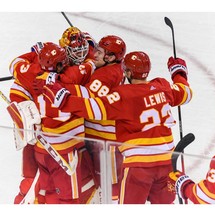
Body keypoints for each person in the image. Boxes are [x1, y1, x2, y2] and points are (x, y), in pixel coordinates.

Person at [38, 51, 193, 204]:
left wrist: (64, 100)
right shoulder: (162, 87)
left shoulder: (124, 95)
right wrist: (178, 72)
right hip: (168, 163)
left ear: (129, 72)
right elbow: (186, 93)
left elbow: (94, 108)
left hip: (139, 166)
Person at [9, 36, 97, 204]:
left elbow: (15, 63)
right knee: (68, 199)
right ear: (58, 65)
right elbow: (90, 68)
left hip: (41, 149)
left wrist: (34, 55)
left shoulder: (30, 75)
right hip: (65, 152)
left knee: (45, 191)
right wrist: (91, 52)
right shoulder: (71, 81)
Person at [59, 34, 126, 203]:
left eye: (99, 52)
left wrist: (56, 85)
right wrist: (87, 44)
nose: (94, 54)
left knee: (110, 185)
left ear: (110, 57)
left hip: (105, 141)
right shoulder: (115, 67)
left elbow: (87, 98)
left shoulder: (106, 75)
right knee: (99, 182)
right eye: (95, 49)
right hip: (101, 137)